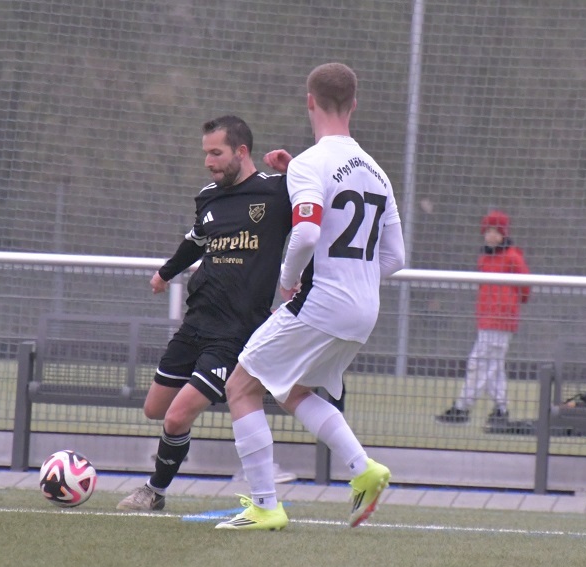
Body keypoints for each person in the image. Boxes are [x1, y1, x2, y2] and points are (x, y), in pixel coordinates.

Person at [215, 63, 406, 531]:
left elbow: (305, 234)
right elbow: (395, 257)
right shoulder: (377, 173)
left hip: (322, 304)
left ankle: (265, 506)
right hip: (363, 311)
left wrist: (287, 282)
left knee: (240, 386)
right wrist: (355, 279)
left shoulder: (310, 163)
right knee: (292, 390)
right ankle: (363, 469)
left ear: (309, 101)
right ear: (354, 105)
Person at [117, 115, 293, 511]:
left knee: (176, 417)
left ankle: (154, 492)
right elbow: (195, 240)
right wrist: (166, 273)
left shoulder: (277, 192)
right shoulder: (209, 196)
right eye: (206, 153)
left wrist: (293, 167)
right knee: (155, 410)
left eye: (216, 153)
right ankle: (187, 427)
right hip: (196, 322)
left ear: (241, 152)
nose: (208, 162)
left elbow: (320, 209)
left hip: (235, 332)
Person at [435, 210, 530, 429]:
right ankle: (501, 409)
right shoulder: (485, 259)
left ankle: (462, 408)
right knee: (493, 366)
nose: (491, 235)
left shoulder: (512, 257)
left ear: (504, 234)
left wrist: (510, 304)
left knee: (478, 363)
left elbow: (525, 286)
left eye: (496, 231)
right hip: (487, 319)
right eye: (488, 231)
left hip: (501, 320)